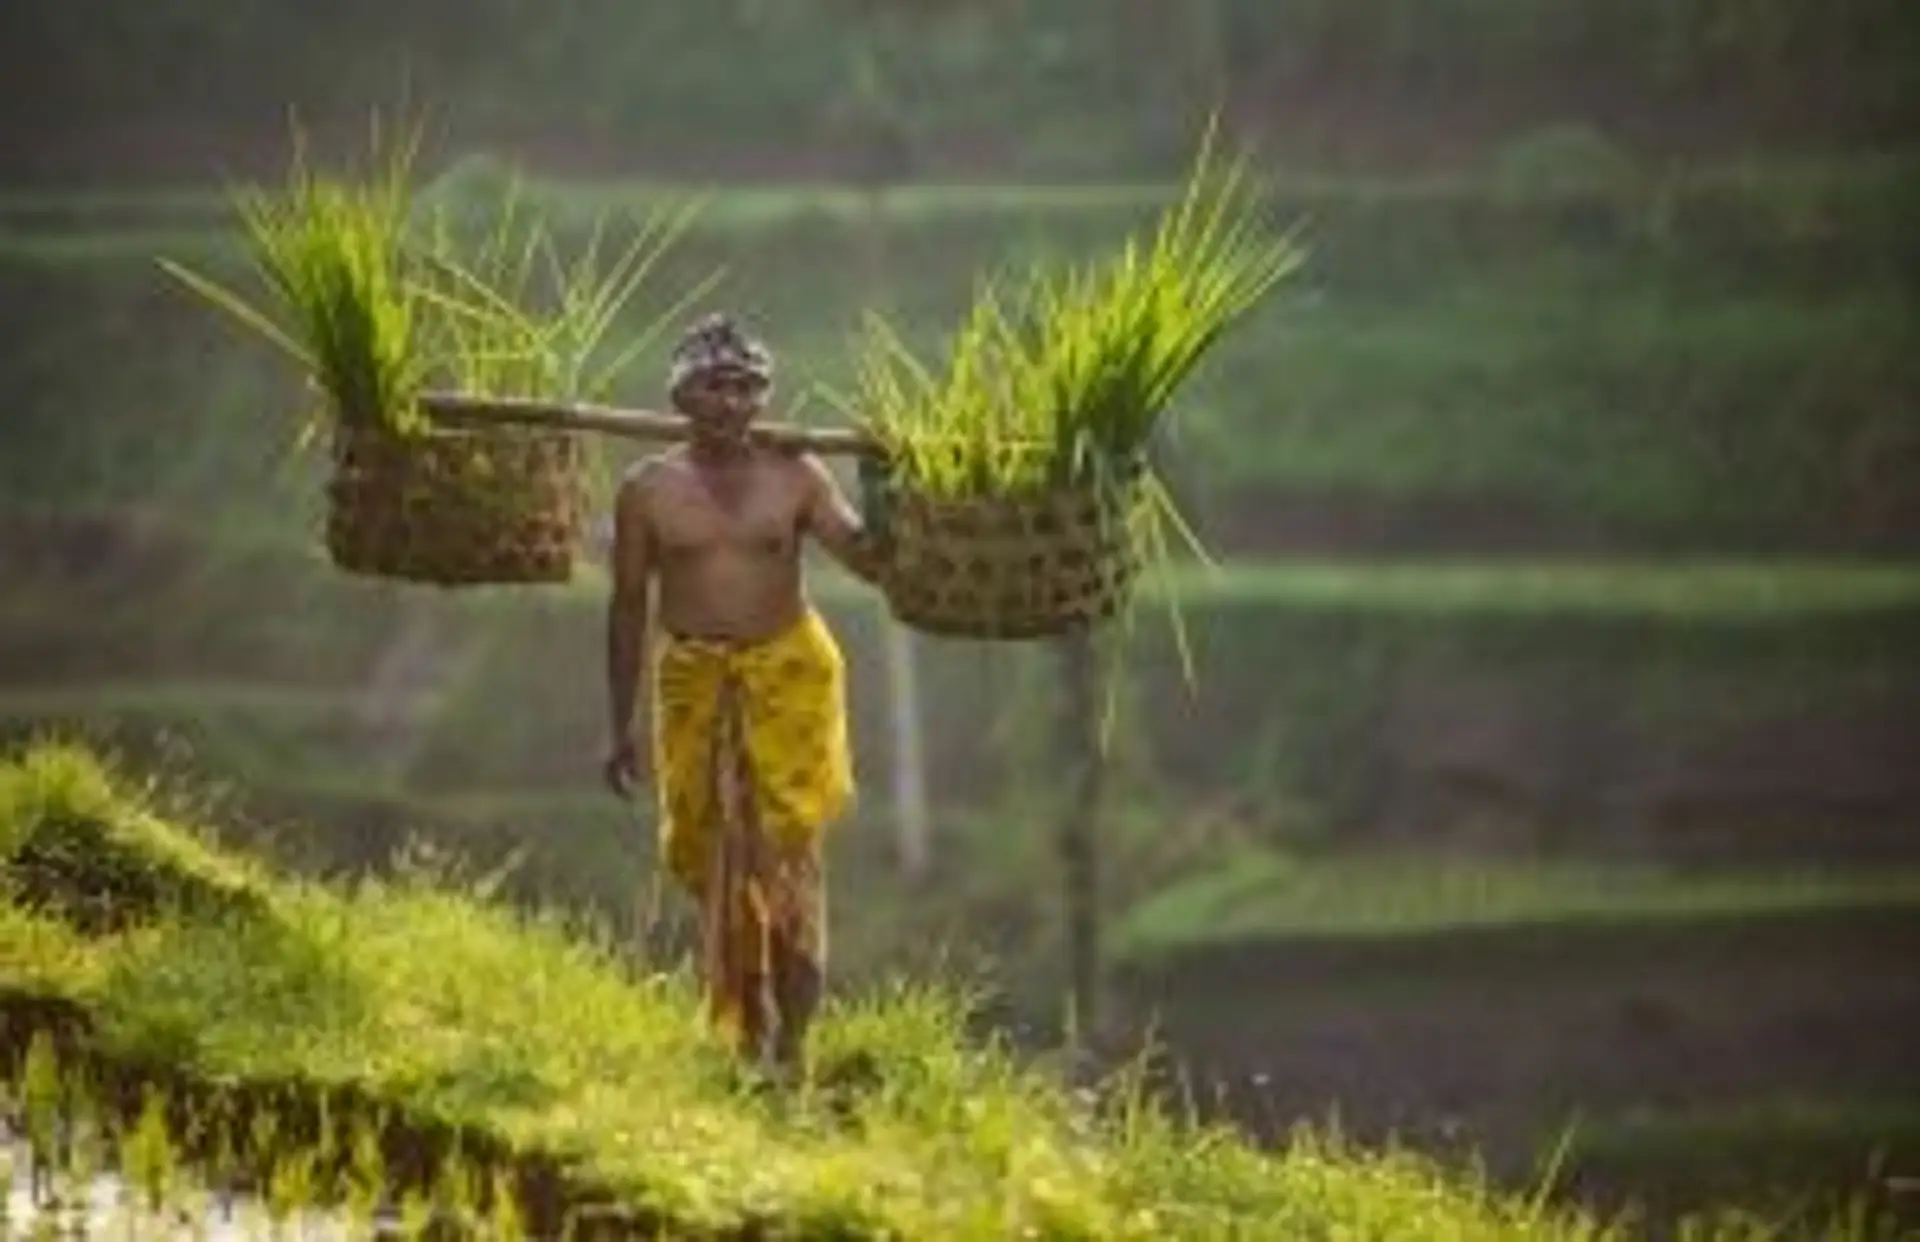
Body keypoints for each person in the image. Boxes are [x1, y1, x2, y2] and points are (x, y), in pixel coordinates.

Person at [601, 312, 890, 1081]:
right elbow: (628, 605)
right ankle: (743, 1039)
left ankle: (793, 1050)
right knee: (719, 860)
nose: (730, 403)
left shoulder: (797, 475)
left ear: (762, 396)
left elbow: (864, 558)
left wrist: (890, 482)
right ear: (683, 397)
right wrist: (619, 723)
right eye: (713, 388)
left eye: (745, 388)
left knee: (786, 861)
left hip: (788, 679)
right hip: (694, 683)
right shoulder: (647, 489)